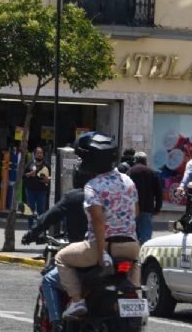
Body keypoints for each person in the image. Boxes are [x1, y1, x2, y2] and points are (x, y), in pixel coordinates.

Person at [55, 132, 139, 319]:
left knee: (61, 258)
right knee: (136, 266)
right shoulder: (128, 181)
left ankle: (77, 301)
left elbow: (98, 221)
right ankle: (136, 304)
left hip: (103, 246)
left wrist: (101, 253)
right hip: (131, 246)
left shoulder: (93, 186)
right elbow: (136, 212)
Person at [21, 166, 91, 332]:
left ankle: (57, 327)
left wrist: (32, 233)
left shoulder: (75, 196)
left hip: (85, 253)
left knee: (49, 280)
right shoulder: (110, 194)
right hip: (115, 252)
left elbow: (50, 216)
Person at [128, 151, 163, 245]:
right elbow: (158, 192)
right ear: (145, 161)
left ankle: (134, 252)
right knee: (146, 235)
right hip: (148, 208)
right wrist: (158, 208)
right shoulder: (152, 173)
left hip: (133, 208)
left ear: (135, 160)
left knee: (132, 234)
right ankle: (144, 252)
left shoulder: (131, 171)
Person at [22, 146, 50, 228]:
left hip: (42, 191)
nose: (40, 154)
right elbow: (23, 176)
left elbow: (52, 177)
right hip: (30, 190)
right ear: (34, 154)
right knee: (30, 209)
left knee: (41, 210)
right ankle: (30, 227)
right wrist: (29, 174)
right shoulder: (30, 164)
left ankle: (40, 228)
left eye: (41, 153)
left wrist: (47, 179)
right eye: (38, 153)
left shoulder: (46, 165)